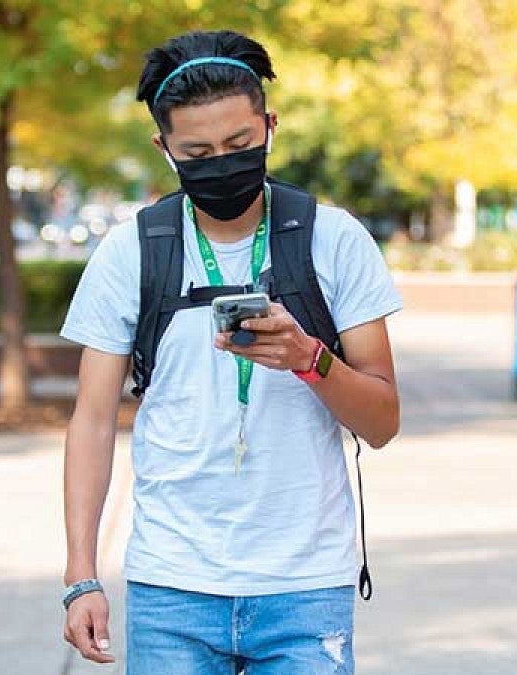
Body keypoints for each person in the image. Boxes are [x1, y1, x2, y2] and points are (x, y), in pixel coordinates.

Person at [60, 29, 402, 674]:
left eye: (240, 144)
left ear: (269, 126)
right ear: (165, 149)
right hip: (173, 585)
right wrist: (83, 574)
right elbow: (93, 421)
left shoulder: (335, 240)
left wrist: (309, 357)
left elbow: (382, 422)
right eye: (198, 151)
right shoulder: (130, 251)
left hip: (305, 586)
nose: (221, 162)